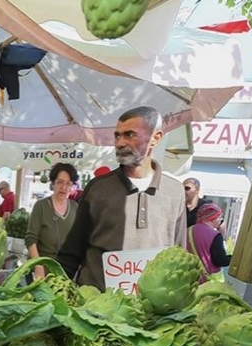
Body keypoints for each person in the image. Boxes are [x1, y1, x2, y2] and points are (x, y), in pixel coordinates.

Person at [57, 106, 187, 290]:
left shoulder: (175, 192)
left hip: (148, 313)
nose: (119, 143)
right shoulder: (98, 188)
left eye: (129, 135)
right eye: (117, 135)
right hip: (94, 308)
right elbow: (71, 253)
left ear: (155, 138)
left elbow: (179, 256)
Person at [26, 163, 79, 280]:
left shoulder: (75, 207)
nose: (63, 187)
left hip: (66, 271)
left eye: (68, 183)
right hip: (43, 269)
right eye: (60, 182)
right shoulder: (41, 206)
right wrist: (38, 265)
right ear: (53, 183)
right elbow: (30, 239)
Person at [186, 203, 231, 283]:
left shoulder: (188, 230)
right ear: (213, 218)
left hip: (188, 277)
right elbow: (219, 260)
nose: (220, 220)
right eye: (219, 217)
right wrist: (233, 258)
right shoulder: (215, 235)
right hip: (207, 282)